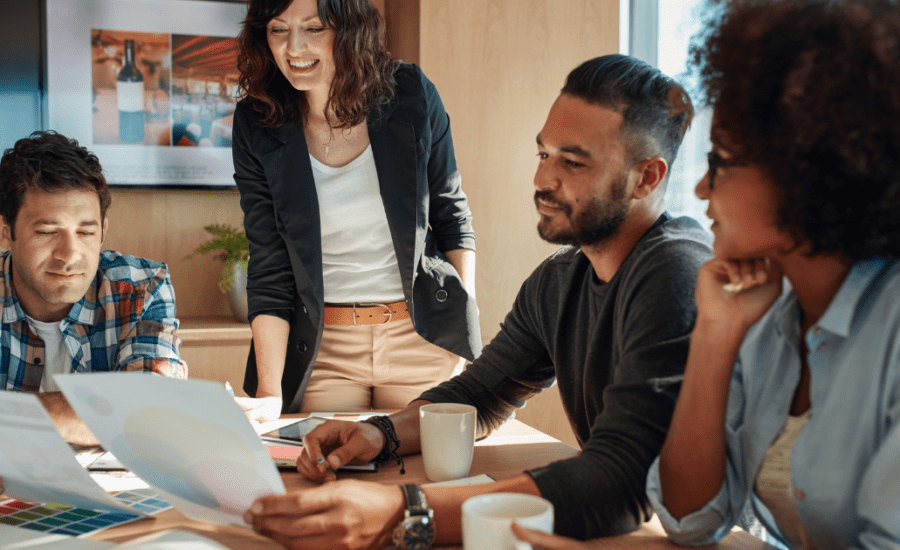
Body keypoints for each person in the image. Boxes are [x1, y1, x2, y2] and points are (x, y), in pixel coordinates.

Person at [242, 54, 712, 549]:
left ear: (647, 178)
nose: (543, 180)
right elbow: (480, 396)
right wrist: (380, 433)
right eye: (543, 155)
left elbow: (619, 480)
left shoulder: (677, 272)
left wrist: (404, 510)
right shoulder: (560, 281)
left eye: (572, 162)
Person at [644, 1, 900, 548]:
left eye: (722, 161)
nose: (701, 190)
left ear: (809, 172)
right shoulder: (767, 316)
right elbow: (690, 519)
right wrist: (715, 335)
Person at [231, 0, 481, 422]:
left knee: (421, 473)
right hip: (323, 348)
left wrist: (463, 324)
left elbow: (452, 217)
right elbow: (269, 263)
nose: (294, 48)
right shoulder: (257, 122)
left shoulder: (410, 94)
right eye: (278, 30)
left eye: (314, 28)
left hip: (419, 337)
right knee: (325, 471)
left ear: (349, 28)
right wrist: (270, 393)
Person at [0, 131, 188, 446]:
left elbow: (149, 417)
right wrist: (106, 408)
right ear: (6, 233)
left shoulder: (141, 288)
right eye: (47, 231)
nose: (70, 254)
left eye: (86, 232)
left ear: (102, 232)